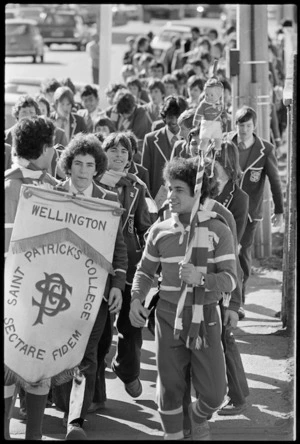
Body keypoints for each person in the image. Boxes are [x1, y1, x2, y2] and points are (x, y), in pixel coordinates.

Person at [129, 156, 237, 440]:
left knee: (215, 394)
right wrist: (137, 298)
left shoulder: (218, 229)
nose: (170, 195)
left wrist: (201, 279)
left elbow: (230, 279)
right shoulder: (159, 230)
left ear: (196, 191)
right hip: (167, 316)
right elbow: (144, 271)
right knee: (169, 390)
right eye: (168, 187)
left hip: (206, 318)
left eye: (178, 189)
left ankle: (197, 417)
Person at [51, 132, 128, 440]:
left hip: (95, 293)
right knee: (60, 353)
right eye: (78, 164)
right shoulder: (52, 194)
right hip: (57, 290)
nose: (83, 171)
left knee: (86, 355)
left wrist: (118, 285)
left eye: (90, 165)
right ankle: (64, 404)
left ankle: (75, 421)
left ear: (98, 168)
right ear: (69, 166)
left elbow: (118, 248)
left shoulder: (109, 200)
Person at [5, 116, 58, 440]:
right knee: (23, 368)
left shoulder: (51, 188)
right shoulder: (46, 191)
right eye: (51, 145)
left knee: (24, 367)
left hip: (30, 296)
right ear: (42, 149)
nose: (54, 151)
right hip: (26, 298)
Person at [93, 132, 153, 404]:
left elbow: (144, 226)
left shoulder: (138, 186)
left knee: (132, 325)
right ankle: (95, 395)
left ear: (130, 158)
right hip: (97, 264)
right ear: (103, 154)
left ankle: (127, 371)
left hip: (129, 264)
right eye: (113, 150)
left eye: (124, 151)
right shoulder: (91, 182)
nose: (118, 155)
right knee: (100, 331)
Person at [227, 105, 284, 316]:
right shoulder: (226, 144)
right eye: (240, 125)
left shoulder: (265, 149)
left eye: (248, 125)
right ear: (236, 125)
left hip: (250, 212)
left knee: (241, 253)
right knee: (224, 251)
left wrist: (279, 210)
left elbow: (275, 181)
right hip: (227, 207)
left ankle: (238, 300)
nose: (243, 130)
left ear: (254, 126)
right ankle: (224, 297)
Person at [142, 95, 186, 200]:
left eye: (178, 117)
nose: (175, 121)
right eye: (171, 117)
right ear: (164, 117)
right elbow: (145, 173)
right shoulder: (150, 140)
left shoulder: (191, 140)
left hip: (183, 198)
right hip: (157, 198)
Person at [193, 78, 227, 152]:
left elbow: (223, 112)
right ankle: (201, 150)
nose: (208, 97)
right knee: (205, 139)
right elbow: (198, 113)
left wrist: (224, 118)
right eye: (206, 94)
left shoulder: (220, 104)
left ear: (218, 95)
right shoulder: (204, 104)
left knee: (218, 139)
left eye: (212, 95)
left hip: (217, 123)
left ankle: (217, 151)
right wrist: (196, 121)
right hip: (207, 124)